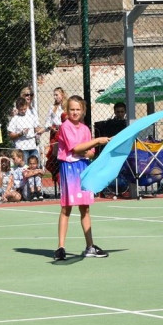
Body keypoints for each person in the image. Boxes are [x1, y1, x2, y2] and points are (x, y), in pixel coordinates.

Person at [54, 95, 110, 261]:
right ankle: (61, 248)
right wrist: (98, 141)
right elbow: (76, 148)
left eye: (78, 109)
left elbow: (90, 153)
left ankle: (90, 246)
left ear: (83, 111)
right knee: (66, 208)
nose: (75, 112)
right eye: (72, 109)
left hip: (83, 168)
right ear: (67, 111)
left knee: (85, 208)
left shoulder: (85, 129)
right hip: (69, 168)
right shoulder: (65, 127)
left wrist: (90, 150)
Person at [7, 95, 43, 164]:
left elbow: (36, 128)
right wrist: (21, 133)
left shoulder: (31, 116)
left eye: (25, 109)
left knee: (36, 166)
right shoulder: (15, 119)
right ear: (17, 108)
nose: (23, 111)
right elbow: (11, 135)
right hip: (22, 148)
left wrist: (41, 131)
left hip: (32, 146)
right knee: (25, 168)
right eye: (21, 110)